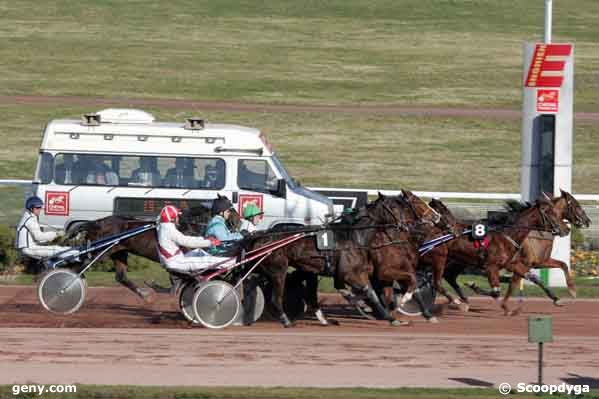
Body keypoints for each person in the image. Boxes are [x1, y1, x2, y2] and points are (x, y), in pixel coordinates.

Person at [156, 205, 236, 273]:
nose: (178, 218)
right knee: (207, 261)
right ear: (172, 219)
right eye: (177, 217)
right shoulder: (169, 229)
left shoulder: (163, 226)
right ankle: (234, 262)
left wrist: (204, 239)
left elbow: (187, 238)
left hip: (175, 259)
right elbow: (187, 242)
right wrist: (209, 242)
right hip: (176, 262)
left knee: (199, 252)